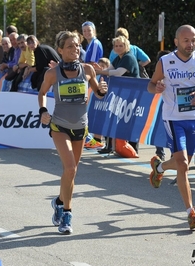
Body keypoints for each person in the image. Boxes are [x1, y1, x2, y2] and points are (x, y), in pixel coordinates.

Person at [147, 25, 195, 230]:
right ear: (176, 42)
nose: (190, 44)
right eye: (186, 40)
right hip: (173, 118)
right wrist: (158, 87)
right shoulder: (165, 61)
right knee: (183, 165)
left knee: (183, 163)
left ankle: (159, 167)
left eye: (193, 40)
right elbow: (150, 85)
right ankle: (191, 212)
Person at [38, 31, 108, 234]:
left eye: (77, 45)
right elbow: (42, 93)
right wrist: (43, 111)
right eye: (70, 46)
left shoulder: (87, 70)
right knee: (69, 169)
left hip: (80, 127)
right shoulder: (53, 73)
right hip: (59, 126)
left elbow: (99, 93)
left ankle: (59, 201)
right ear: (60, 50)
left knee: (72, 172)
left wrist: (102, 89)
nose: (75, 49)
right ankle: (67, 215)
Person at [93, 35, 140, 154]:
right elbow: (110, 69)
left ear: (126, 46)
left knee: (129, 120)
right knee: (112, 117)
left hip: (131, 94)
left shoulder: (128, 57)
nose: (118, 48)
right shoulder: (119, 58)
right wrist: (101, 70)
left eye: (121, 45)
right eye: (116, 46)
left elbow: (117, 73)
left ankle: (132, 149)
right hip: (120, 93)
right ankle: (109, 146)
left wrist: (100, 71)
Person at [82, 21, 104, 148]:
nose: (86, 33)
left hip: (93, 79)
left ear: (94, 31)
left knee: (91, 108)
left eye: (89, 30)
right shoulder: (89, 44)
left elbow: (91, 64)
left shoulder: (95, 44)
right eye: (84, 31)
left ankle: (93, 139)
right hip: (90, 78)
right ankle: (92, 138)